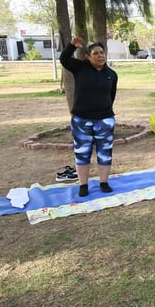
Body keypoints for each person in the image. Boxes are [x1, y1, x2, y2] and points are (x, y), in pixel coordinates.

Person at [59, 37, 118, 197]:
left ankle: (104, 182)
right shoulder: (80, 68)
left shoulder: (111, 74)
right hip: (81, 120)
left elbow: (111, 96)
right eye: (96, 53)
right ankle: (83, 185)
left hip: (104, 120)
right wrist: (71, 46)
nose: (100, 56)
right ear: (88, 57)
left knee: (104, 152)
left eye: (102, 53)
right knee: (82, 152)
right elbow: (64, 59)